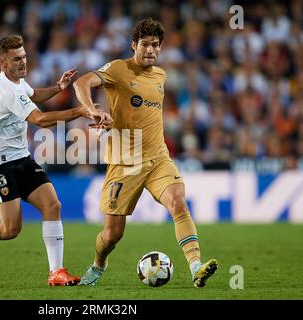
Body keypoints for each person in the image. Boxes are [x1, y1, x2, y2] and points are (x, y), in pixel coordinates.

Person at [73, 18, 218, 287]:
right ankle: (98, 265)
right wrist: (92, 109)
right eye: (145, 44)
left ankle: (196, 266)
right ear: (133, 45)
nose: (150, 49)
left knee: (178, 203)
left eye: (155, 45)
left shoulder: (161, 75)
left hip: (158, 158)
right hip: (124, 162)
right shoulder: (118, 68)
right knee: (112, 235)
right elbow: (81, 83)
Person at [0, 34, 95, 286]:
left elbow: (33, 94)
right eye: (16, 59)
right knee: (9, 230)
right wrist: (81, 110)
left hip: (21, 158)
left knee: (52, 205)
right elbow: (40, 120)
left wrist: (58, 88)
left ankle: (56, 272)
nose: (23, 62)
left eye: (24, 57)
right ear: (2, 62)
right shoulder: (7, 90)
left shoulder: (15, 82)